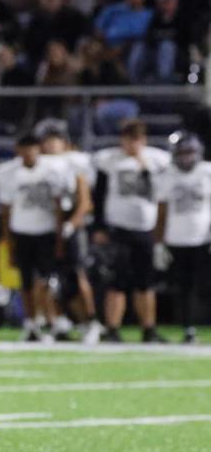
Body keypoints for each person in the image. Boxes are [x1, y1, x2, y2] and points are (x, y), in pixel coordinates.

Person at [92, 118, 171, 343]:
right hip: (118, 228)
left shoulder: (157, 160)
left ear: (143, 140)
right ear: (122, 140)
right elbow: (99, 194)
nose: (132, 144)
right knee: (117, 281)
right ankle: (113, 329)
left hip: (146, 229)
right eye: (128, 139)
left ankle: (148, 329)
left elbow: (165, 196)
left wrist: (161, 234)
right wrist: (99, 226)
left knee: (146, 282)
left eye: (137, 139)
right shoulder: (109, 160)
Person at [0, 134, 70, 342]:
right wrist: (8, 241)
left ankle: (54, 320)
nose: (29, 153)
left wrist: (60, 238)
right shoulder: (9, 173)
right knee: (25, 282)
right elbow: (6, 211)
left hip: (46, 232)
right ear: (18, 150)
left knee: (48, 282)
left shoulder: (53, 171)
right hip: (22, 233)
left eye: (32, 148)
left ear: (39, 149)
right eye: (25, 148)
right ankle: (32, 323)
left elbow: (59, 207)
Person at [34, 117, 103, 344]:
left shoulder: (75, 163)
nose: (51, 144)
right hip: (47, 228)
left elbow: (86, 201)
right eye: (47, 140)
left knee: (77, 275)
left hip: (71, 228)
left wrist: (71, 224)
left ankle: (91, 321)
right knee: (51, 279)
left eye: (56, 139)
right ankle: (59, 322)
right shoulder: (38, 164)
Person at [154, 131, 211, 344]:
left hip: (204, 238)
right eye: (182, 152)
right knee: (184, 288)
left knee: (204, 286)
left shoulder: (207, 172)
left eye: (190, 152)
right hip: (177, 239)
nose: (186, 157)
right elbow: (161, 211)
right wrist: (158, 244)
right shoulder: (167, 175)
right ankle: (189, 328)